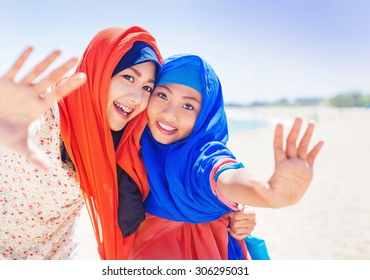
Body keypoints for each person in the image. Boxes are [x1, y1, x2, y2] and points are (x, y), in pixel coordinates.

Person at [0, 27, 254, 260]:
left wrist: (228, 205)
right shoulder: (50, 112)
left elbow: (179, 173)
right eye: (128, 77)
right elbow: (20, 123)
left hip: (58, 259)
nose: (136, 97)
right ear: (101, 71)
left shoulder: (124, 135)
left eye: (147, 87)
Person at [128, 54, 324, 259]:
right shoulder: (132, 146)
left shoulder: (199, 156)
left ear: (206, 115)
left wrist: (268, 196)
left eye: (188, 106)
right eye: (162, 95)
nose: (169, 113)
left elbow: (222, 174)